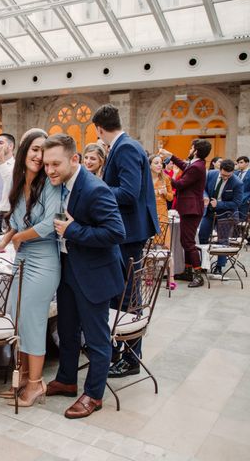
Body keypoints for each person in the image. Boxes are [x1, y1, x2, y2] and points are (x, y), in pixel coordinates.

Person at [42, 133, 126, 420]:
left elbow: (116, 232)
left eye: (55, 164)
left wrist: (72, 231)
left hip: (94, 275)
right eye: (46, 165)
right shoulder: (60, 184)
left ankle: (94, 394)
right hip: (68, 268)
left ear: (74, 159)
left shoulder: (94, 189)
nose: (50, 170)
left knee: (96, 338)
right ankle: (66, 379)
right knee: (66, 330)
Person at [0, 128, 60, 407]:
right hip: (21, 258)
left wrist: (17, 238)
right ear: (24, 151)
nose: (39, 156)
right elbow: (17, 222)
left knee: (33, 321)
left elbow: (47, 225)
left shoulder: (51, 185)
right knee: (17, 318)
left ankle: (35, 384)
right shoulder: (18, 184)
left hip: (44, 261)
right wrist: (2, 242)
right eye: (35, 149)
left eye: (44, 151)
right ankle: (21, 380)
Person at [93, 104, 158, 379]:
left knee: (128, 294)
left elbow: (129, 193)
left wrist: (98, 189)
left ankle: (131, 357)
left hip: (129, 232)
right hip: (127, 230)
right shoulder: (123, 146)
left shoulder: (127, 148)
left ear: (99, 129)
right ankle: (121, 350)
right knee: (122, 291)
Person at [159, 139, 211, 287]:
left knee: (188, 242)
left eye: (191, 148)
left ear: (195, 150)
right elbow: (184, 165)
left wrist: (164, 175)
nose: (189, 150)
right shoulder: (196, 164)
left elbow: (181, 184)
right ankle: (188, 271)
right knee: (185, 241)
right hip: (190, 208)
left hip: (191, 209)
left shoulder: (197, 167)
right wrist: (171, 155)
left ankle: (197, 275)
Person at [199, 159, 243, 276]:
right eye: (223, 175)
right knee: (202, 236)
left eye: (228, 176)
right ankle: (203, 264)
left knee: (222, 241)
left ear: (233, 172)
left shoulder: (237, 183)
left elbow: (236, 203)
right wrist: (205, 196)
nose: (225, 177)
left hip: (227, 215)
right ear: (219, 169)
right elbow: (202, 189)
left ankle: (219, 267)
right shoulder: (211, 174)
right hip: (209, 212)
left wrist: (219, 204)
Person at [149, 154, 176, 289]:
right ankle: (149, 275)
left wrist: (165, 193)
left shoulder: (166, 178)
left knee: (167, 247)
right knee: (148, 247)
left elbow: (171, 198)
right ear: (150, 165)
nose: (160, 165)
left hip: (163, 216)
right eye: (156, 163)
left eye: (160, 163)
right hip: (149, 216)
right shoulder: (145, 180)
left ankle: (170, 277)